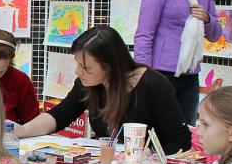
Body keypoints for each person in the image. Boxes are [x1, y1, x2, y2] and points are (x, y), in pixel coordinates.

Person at [15, 25, 192, 155]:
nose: (78, 72)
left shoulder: (153, 85)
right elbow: (60, 115)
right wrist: (23, 130)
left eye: (86, 67)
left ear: (110, 66)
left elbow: (180, 141)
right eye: (77, 64)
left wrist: (150, 160)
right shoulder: (88, 84)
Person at [134, 0, 222, 125]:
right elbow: (144, 34)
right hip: (160, 73)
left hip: (190, 74)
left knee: (186, 129)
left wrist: (207, 18)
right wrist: (143, 74)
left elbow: (215, 35)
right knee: (157, 128)